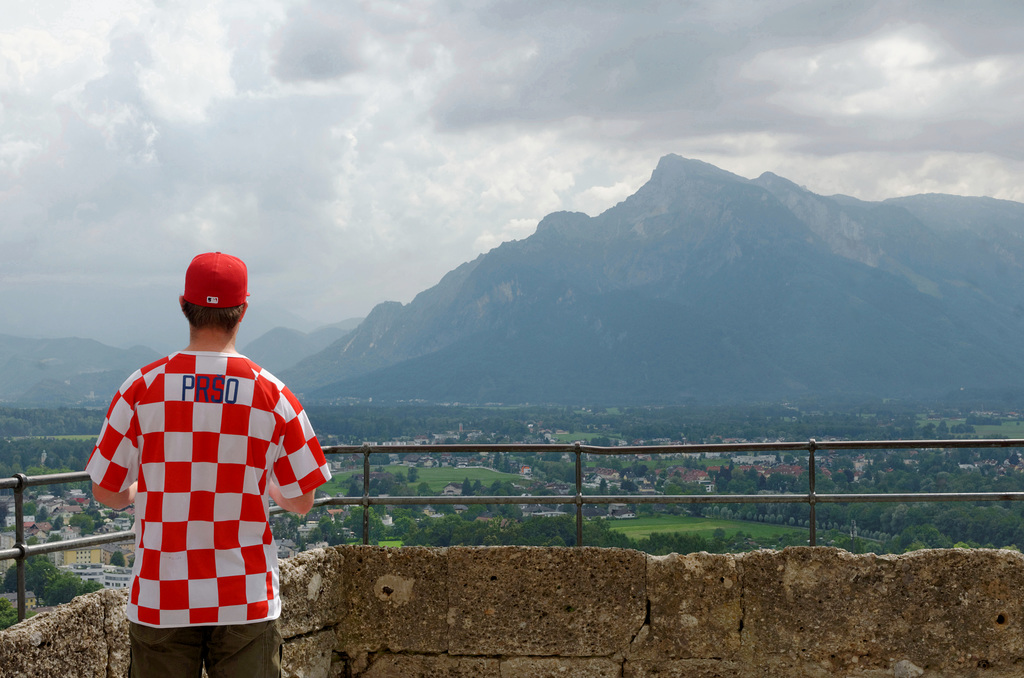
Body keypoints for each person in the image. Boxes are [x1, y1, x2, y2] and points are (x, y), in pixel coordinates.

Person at [86, 252, 332, 677]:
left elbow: (106, 492)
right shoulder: (274, 394)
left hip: (162, 596)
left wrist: (144, 489)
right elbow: (302, 501)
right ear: (244, 310)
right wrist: (265, 487)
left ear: (184, 305)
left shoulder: (141, 388)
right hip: (245, 595)